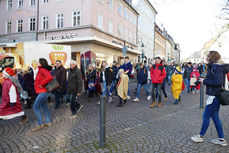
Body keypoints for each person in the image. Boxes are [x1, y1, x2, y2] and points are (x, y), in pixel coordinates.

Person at [191, 51, 227, 146]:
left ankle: (200, 137)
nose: (206, 57)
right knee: (215, 118)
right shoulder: (214, 67)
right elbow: (215, 80)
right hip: (215, 96)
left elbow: (218, 82)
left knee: (206, 116)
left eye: (208, 56)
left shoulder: (217, 68)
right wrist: (203, 79)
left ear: (212, 57)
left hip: (214, 97)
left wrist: (204, 81)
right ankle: (221, 139)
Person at [32, 58, 53, 132]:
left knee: (35, 107)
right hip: (43, 91)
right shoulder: (41, 69)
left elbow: (49, 77)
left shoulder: (42, 70)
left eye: (38, 62)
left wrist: (41, 84)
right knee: (44, 106)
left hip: (43, 91)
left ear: (41, 63)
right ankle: (48, 122)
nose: (37, 62)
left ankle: (40, 124)